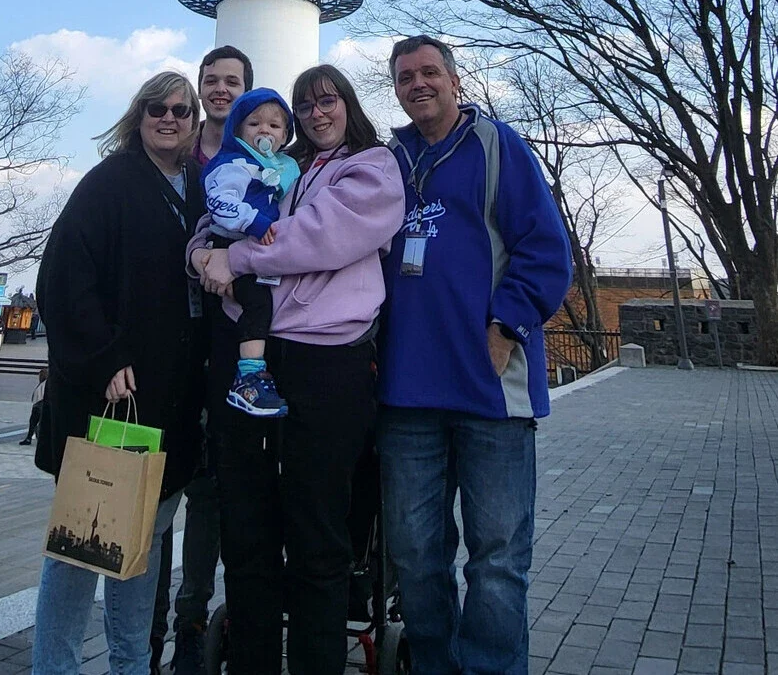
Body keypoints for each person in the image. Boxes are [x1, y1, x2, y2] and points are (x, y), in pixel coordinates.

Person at [191, 64, 404, 675]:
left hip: (325, 360)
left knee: (317, 532)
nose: (316, 113)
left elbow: (318, 234)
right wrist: (201, 254)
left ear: (348, 105)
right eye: (304, 104)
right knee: (248, 527)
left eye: (327, 101)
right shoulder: (281, 165)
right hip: (254, 350)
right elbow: (220, 218)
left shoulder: (372, 168)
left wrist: (232, 257)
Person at [376, 35, 572, 674]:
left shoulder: (498, 147)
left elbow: (546, 253)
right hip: (406, 394)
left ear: (455, 82)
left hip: (491, 390)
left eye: (430, 72)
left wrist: (504, 331)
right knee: (414, 555)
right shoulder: (388, 159)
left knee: (496, 559)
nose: (418, 84)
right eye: (406, 76)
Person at [32, 71, 208, 675]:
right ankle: (54, 666)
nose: (170, 118)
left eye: (182, 111)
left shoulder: (199, 189)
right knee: (83, 543)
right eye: (158, 108)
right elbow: (61, 280)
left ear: (195, 122)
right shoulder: (108, 183)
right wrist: (105, 357)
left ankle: (132, 664)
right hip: (110, 400)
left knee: (143, 541)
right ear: (139, 115)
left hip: (172, 401)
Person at [150, 46, 255, 675]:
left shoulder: (261, 160)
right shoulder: (176, 163)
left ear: (247, 90)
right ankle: (148, 630)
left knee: (212, 495)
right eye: (211, 81)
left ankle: (191, 623)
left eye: (232, 82)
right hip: (170, 350)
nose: (220, 91)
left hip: (229, 343)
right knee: (157, 497)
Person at [201, 88, 300, 418]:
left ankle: (254, 372)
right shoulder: (234, 164)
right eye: (254, 123)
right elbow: (219, 203)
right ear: (237, 130)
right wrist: (252, 220)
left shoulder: (276, 166)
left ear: (286, 135)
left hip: (253, 248)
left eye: (275, 126)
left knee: (261, 307)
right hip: (229, 244)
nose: (265, 131)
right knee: (257, 305)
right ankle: (249, 377)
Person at [20, 367, 48, 446]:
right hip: (40, 405)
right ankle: (33, 438)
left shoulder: (43, 384)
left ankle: (30, 438)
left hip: (39, 405)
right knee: (36, 423)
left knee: (34, 422)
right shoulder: (45, 384)